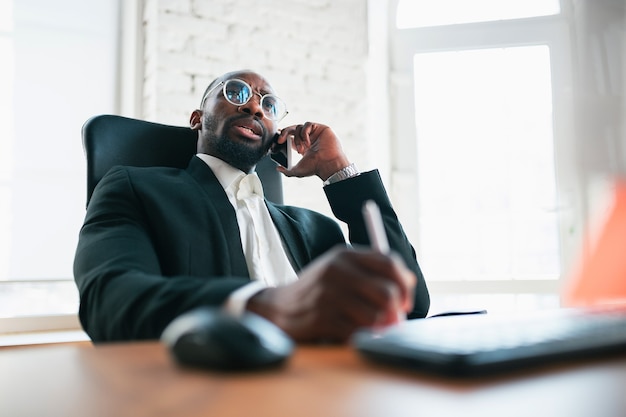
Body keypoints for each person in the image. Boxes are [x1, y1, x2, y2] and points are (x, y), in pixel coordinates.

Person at [73, 69, 430, 343]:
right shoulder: (137, 189)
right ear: (198, 118)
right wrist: (263, 306)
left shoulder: (317, 229)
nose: (254, 105)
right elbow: (108, 300)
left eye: (269, 104)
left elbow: (410, 304)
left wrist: (340, 172)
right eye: (235, 92)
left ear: (277, 133)